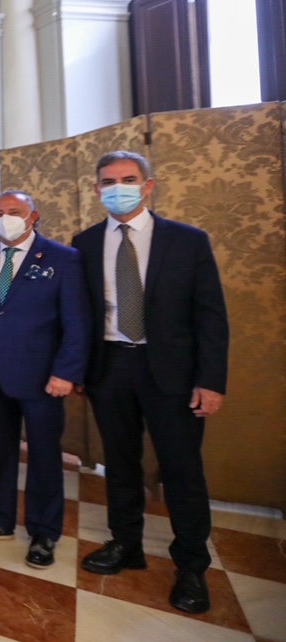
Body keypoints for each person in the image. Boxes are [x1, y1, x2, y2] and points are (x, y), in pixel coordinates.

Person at [72, 151, 229, 614]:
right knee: (119, 464)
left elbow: (211, 317)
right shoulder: (83, 243)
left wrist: (211, 381)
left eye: (127, 179)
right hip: (110, 368)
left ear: (147, 185)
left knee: (182, 468)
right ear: (97, 189)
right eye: (107, 181)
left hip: (172, 374)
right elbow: (80, 314)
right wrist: (80, 369)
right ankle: (127, 544)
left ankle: (192, 564)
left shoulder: (187, 241)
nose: (116, 187)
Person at [0, 190, 90, 570]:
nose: (4, 217)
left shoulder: (62, 258)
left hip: (43, 377)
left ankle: (44, 532)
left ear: (33, 216)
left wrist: (67, 371)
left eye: (13, 211)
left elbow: (76, 322)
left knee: (45, 455)